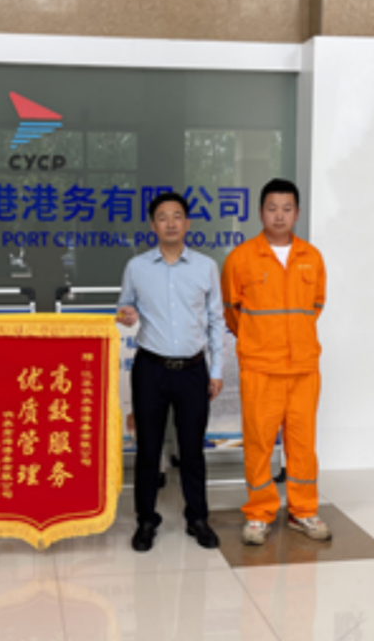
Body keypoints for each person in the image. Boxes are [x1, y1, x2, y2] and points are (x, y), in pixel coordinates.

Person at [221, 178, 329, 546]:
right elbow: (231, 310)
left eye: (286, 209)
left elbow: (315, 306)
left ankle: (303, 511)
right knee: (259, 444)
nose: (279, 215)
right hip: (260, 368)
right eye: (272, 208)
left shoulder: (311, 257)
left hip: (303, 368)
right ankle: (259, 513)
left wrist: (292, 337)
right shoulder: (241, 258)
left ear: (297, 213)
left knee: (302, 444)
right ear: (260, 212)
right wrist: (259, 339)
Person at [118, 192, 225, 552]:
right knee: (148, 449)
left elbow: (216, 320)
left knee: (192, 450)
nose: (170, 223)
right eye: (162, 217)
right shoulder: (136, 267)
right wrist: (127, 314)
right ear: (153, 225)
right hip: (151, 368)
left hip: (193, 369)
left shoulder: (205, 267)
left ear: (187, 223)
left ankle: (198, 518)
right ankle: (146, 520)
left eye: (177, 216)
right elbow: (124, 305)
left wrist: (216, 370)